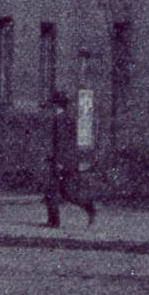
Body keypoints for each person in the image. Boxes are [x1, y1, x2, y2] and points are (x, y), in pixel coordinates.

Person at [43, 91, 96, 227]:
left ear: (56, 105)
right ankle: (88, 206)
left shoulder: (60, 119)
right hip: (69, 160)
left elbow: (61, 142)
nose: (49, 107)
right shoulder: (68, 118)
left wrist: (59, 161)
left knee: (52, 190)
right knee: (66, 191)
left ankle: (54, 221)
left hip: (61, 161)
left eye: (51, 104)